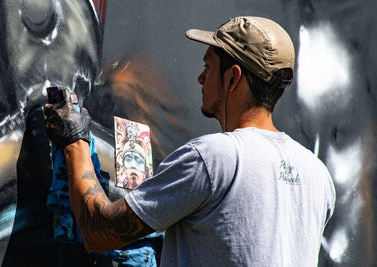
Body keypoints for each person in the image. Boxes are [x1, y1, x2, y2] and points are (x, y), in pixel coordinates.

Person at [44, 16, 336, 266]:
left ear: (233, 78)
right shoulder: (317, 175)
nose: (200, 78)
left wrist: (74, 140)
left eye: (208, 67)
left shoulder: (213, 158)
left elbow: (100, 231)